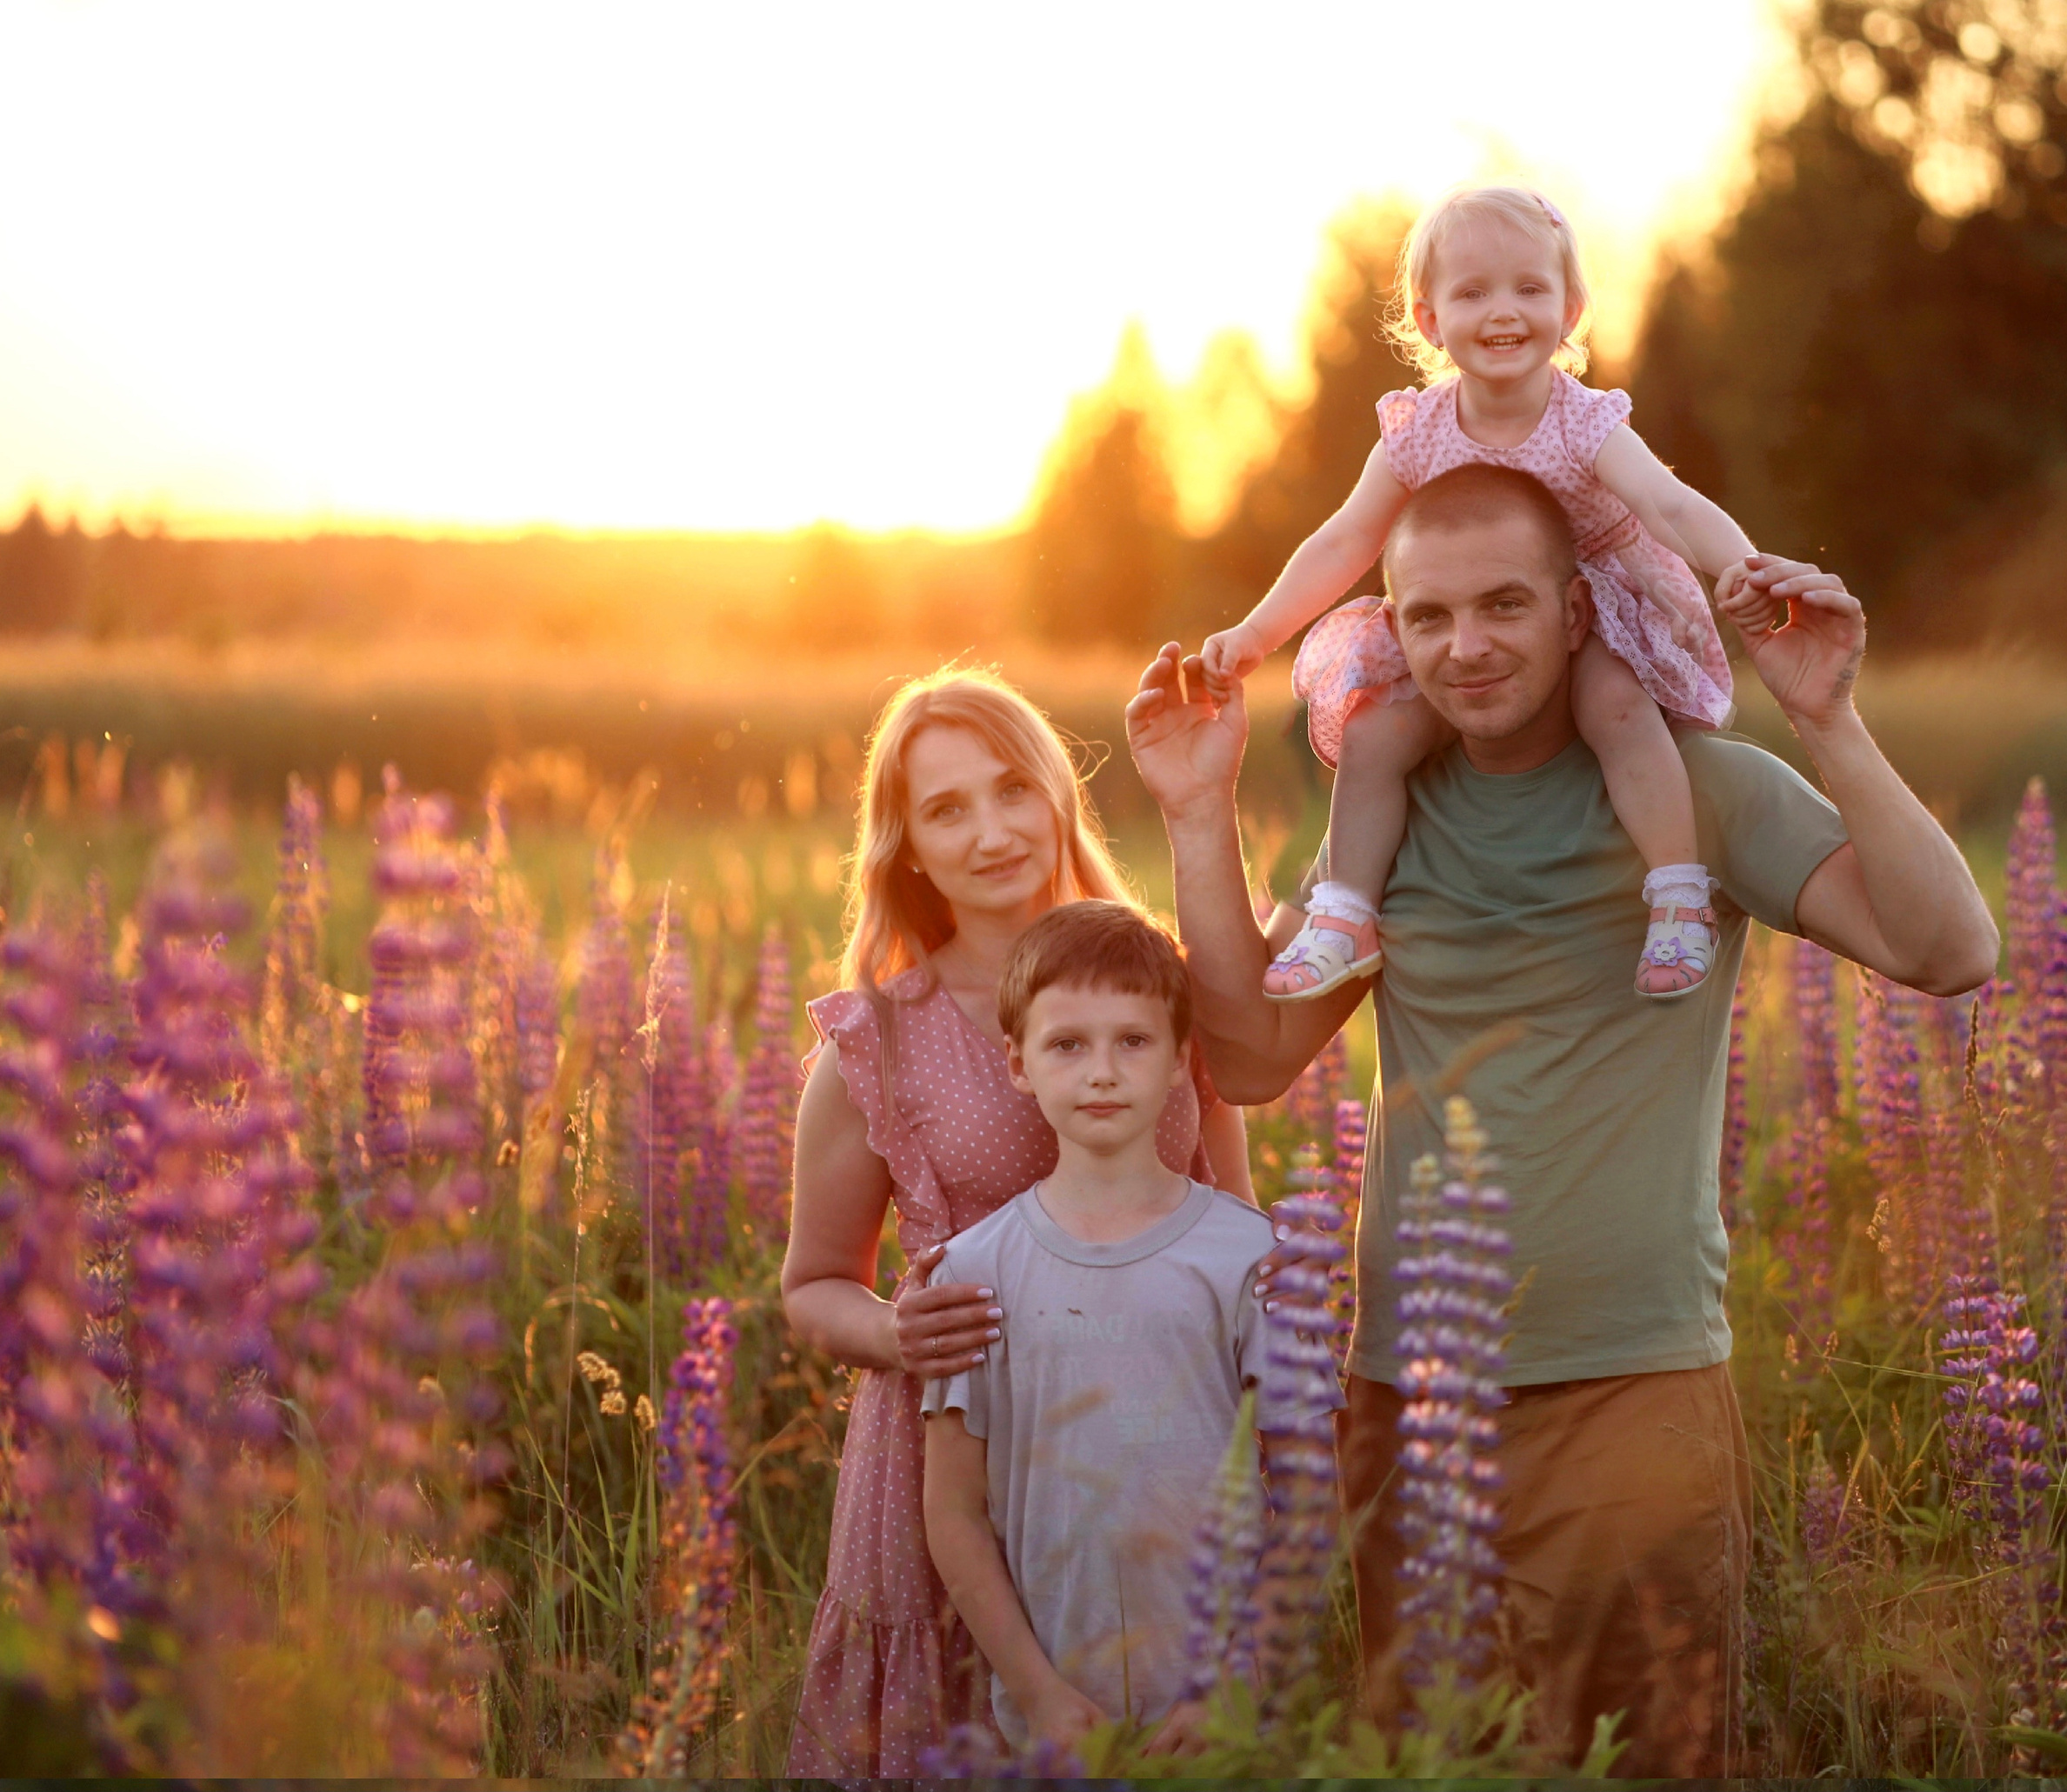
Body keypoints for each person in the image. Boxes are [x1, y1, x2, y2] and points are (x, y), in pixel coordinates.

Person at [1129, 462, 1998, 1775]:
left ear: (1578, 609)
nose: (1466, 647)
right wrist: (1197, 813)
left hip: (1631, 1378)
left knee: (1641, 1758)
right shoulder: (1387, 815)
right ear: (1392, 630)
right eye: (1427, 617)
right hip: (1413, 1393)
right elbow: (1248, 1057)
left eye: (1502, 606)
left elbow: (1950, 949)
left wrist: (1826, 719)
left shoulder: (1701, 791)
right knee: (1431, 1761)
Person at [780, 669, 1251, 1776]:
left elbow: (1237, 1228)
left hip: (1158, 1436)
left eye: (1010, 790)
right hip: (957, 1457)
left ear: (1056, 797)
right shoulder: (877, 1044)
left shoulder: (1162, 992)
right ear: (905, 847)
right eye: (946, 809)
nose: (990, 832)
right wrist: (896, 1335)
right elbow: (812, 1286)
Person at [1199, 184, 1752, 1005]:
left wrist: (1744, 567)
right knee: (1377, 734)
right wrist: (1255, 633)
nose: (1504, 311)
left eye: (1530, 288)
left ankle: (1678, 896)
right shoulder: (1418, 430)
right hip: (1470, 625)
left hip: (1593, 602)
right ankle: (1346, 912)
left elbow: (1666, 505)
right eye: (1473, 291)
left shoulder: (1586, 422)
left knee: (1616, 709)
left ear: (1569, 308)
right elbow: (1346, 539)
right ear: (1428, 320)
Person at [922, 901, 1340, 1755]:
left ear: (1183, 1059)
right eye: (1068, 1044)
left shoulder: (1252, 1256)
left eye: (1133, 1041)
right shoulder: (972, 1270)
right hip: (1050, 1722)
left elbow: (1309, 1493)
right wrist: (1038, 1695)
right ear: (1018, 1062)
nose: (1102, 1072)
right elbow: (954, 1512)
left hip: (1229, 1720)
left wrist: (1243, 1678)